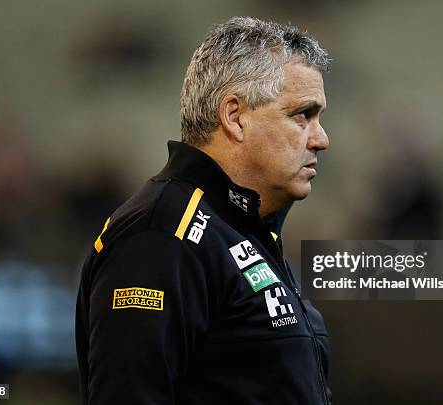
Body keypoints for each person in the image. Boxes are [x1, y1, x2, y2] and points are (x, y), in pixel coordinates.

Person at [76, 16, 332, 405]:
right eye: (302, 115)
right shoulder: (159, 236)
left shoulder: (244, 229)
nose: (321, 139)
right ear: (234, 117)